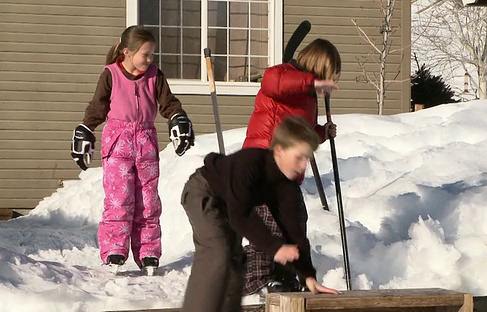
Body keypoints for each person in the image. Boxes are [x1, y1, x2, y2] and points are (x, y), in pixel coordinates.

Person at [181, 116, 340, 312]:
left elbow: (294, 234)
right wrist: (274, 247)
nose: (302, 166)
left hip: (230, 203)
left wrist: (307, 275)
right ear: (279, 150)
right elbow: (240, 215)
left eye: (307, 159)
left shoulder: (286, 187)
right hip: (204, 192)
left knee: (234, 261)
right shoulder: (249, 163)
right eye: (299, 157)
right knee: (217, 251)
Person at [70, 25, 194, 273]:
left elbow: (168, 103)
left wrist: (178, 118)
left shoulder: (155, 76)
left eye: (152, 55)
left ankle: (148, 252)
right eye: (145, 55)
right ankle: (115, 250)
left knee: (148, 202)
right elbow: (98, 106)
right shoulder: (111, 75)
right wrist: (86, 128)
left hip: (146, 142)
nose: (149, 60)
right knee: (120, 199)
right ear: (127, 52)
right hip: (117, 142)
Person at [242, 38, 341, 295]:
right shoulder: (283, 74)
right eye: (327, 77)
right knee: (269, 223)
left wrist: (321, 132)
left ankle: (285, 276)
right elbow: (272, 83)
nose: (325, 85)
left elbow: (301, 136)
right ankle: (258, 278)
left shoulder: (308, 98)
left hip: (286, 173)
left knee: (295, 221)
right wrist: (313, 83)